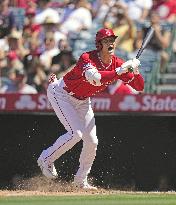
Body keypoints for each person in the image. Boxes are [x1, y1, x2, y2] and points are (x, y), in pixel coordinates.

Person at [37, 28, 144, 190]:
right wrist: (120, 71)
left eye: (112, 40)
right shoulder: (87, 58)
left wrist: (136, 72)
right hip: (61, 94)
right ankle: (45, 159)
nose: (111, 43)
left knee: (92, 141)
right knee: (75, 134)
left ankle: (81, 180)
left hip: (82, 100)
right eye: (107, 41)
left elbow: (140, 87)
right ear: (99, 44)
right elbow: (96, 79)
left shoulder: (117, 63)